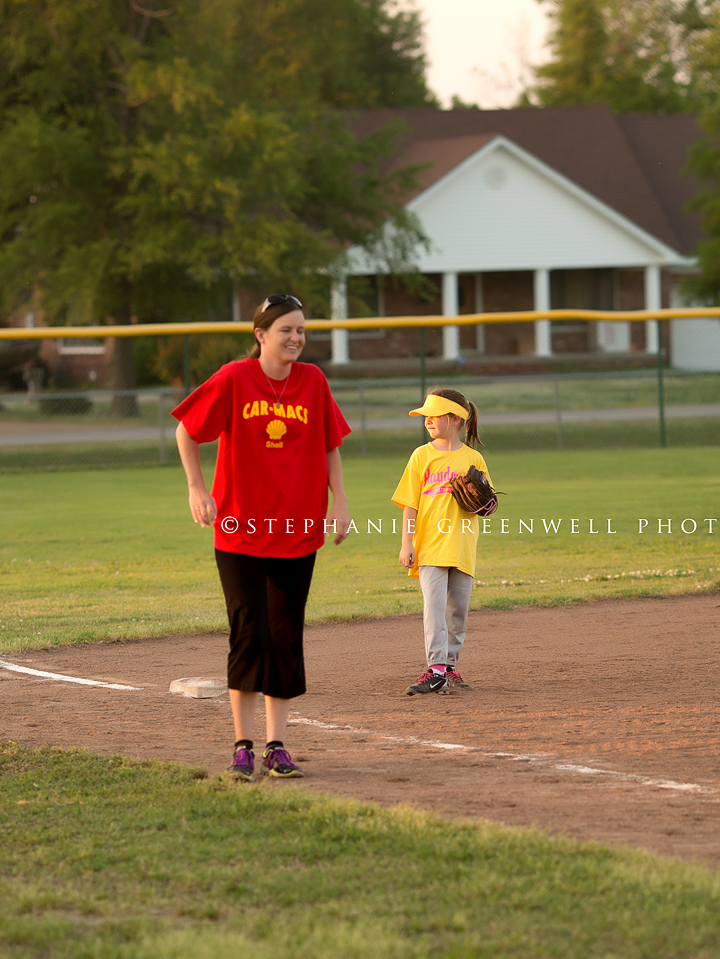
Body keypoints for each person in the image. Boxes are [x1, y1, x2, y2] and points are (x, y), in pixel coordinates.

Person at [172, 295, 352, 779]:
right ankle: (243, 746)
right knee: (249, 632)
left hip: (297, 529)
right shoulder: (234, 377)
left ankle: (277, 745)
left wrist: (341, 502)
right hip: (239, 531)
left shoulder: (313, 380)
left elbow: (329, 444)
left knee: (285, 636)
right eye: (285, 330)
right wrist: (196, 487)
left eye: (300, 330)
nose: (295, 338)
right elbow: (187, 432)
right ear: (261, 335)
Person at [392, 387, 491, 696]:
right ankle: (435, 669)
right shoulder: (421, 455)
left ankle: (449, 667)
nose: (427, 421)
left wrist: (486, 503)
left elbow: (486, 506)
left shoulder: (473, 458)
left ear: (454, 419)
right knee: (434, 607)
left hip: (462, 546)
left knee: (457, 611)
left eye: (434, 416)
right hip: (430, 545)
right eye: (426, 416)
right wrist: (406, 543)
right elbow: (410, 503)